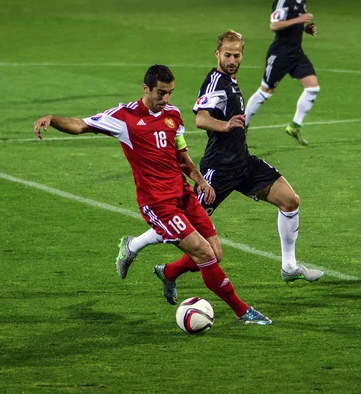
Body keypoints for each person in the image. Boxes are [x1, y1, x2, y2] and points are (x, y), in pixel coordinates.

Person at [33, 64, 272, 325]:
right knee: (204, 253)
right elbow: (81, 125)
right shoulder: (124, 117)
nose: (166, 99)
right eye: (160, 93)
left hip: (183, 194)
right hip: (158, 204)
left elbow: (181, 157)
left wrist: (201, 180)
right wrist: (53, 119)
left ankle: (168, 273)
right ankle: (242, 311)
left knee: (215, 252)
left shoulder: (173, 115)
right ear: (145, 89)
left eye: (170, 93)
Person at [118, 32, 323, 297]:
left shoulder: (231, 81)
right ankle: (133, 246)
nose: (232, 59)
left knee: (290, 201)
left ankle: (289, 266)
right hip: (219, 170)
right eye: (227, 54)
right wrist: (225, 125)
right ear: (217, 54)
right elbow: (201, 119)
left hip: (244, 163)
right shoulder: (215, 81)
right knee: (183, 224)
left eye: (237, 55)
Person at [244, 0, 320, 146]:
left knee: (313, 87)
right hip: (280, 54)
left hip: (296, 53)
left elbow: (292, 25)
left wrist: (305, 28)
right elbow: (274, 25)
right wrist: (299, 20)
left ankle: (294, 127)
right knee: (265, 92)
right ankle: (242, 126)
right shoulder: (284, 0)